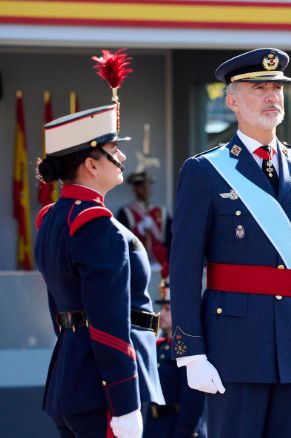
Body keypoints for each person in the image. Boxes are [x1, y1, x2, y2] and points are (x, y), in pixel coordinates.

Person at [169, 48, 291, 438]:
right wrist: (190, 351)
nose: (271, 96)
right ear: (232, 100)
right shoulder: (205, 170)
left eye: (277, 88)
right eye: (259, 87)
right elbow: (185, 267)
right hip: (233, 346)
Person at [34, 69, 164, 437]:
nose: (122, 156)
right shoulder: (96, 224)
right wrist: (124, 403)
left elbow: (59, 313)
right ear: (91, 164)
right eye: (113, 150)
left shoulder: (53, 218)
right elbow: (109, 321)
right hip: (103, 391)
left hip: (72, 377)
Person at [144, 281, 207, 438]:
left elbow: (193, 401)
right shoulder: (161, 347)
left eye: (167, 309)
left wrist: (183, 433)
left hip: (178, 429)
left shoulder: (189, 351)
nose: (161, 314)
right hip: (156, 428)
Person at [117, 170, 172, 279]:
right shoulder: (126, 212)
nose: (145, 188)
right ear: (135, 189)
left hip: (161, 262)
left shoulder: (161, 211)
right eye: (141, 185)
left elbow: (169, 239)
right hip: (137, 261)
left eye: (147, 185)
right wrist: (139, 229)